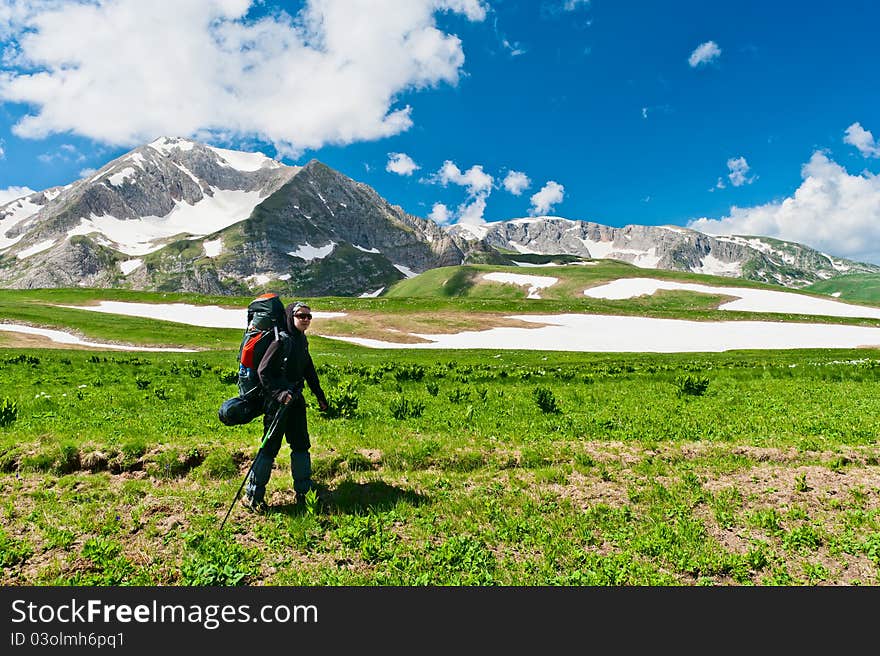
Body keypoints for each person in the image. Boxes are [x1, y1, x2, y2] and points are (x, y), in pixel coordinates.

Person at [242, 301, 329, 512]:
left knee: (301, 445)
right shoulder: (280, 341)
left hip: (296, 402)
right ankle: (252, 497)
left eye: (309, 316)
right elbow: (263, 372)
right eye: (301, 316)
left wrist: (320, 396)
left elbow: (309, 370)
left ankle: (304, 494)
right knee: (269, 448)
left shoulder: (301, 340)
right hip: (278, 404)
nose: (306, 320)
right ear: (291, 317)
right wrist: (280, 394)